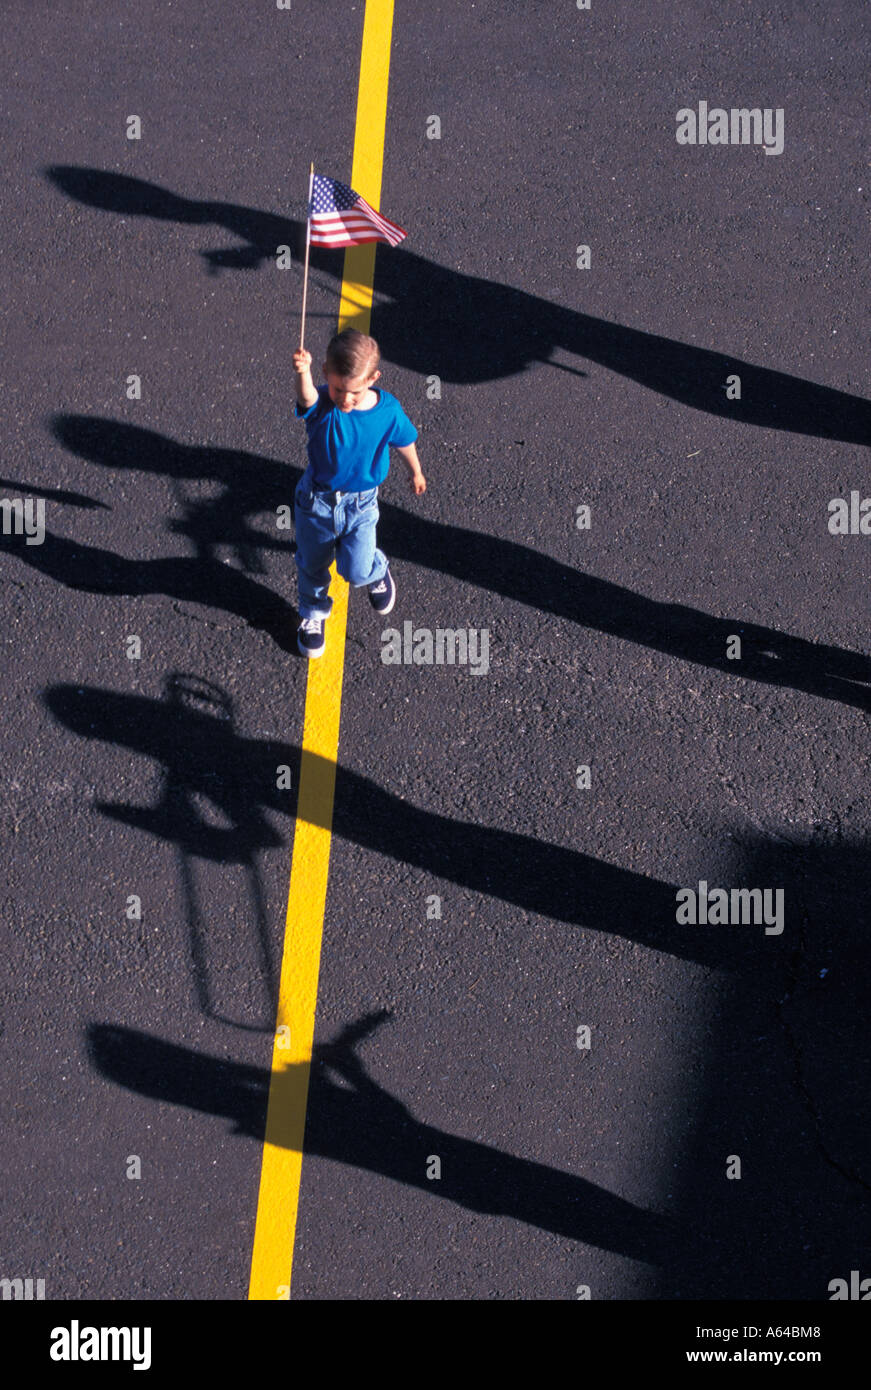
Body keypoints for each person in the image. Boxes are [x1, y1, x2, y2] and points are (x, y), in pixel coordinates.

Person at [292, 328, 426, 657]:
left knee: (354, 570)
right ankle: (312, 614)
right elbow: (306, 398)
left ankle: (376, 570)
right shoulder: (323, 404)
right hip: (317, 503)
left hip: (362, 504)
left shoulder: (388, 411)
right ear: (327, 375)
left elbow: (404, 440)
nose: (344, 399)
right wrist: (303, 372)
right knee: (313, 564)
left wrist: (416, 470)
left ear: (373, 378)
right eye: (337, 388)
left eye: (352, 392)